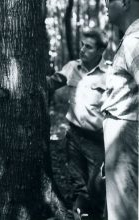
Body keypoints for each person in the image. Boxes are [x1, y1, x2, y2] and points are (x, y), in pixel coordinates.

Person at [47, 28, 109, 220]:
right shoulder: (72, 67)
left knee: (98, 190)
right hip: (74, 137)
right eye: (82, 45)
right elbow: (51, 82)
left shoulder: (110, 74)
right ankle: (80, 217)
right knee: (78, 188)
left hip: (97, 142)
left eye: (88, 47)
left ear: (100, 51)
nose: (82, 50)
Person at [100, 0, 139, 220]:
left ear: (124, 2)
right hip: (121, 141)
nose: (105, 5)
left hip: (127, 139)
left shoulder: (135, 42)